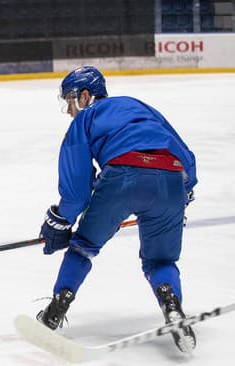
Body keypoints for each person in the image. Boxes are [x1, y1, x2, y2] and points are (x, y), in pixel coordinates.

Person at [37, 66, 197, 353]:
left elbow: (76, 191)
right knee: (160, 261)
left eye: (70, 101)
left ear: (85, 96)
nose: (68, 110)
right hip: (172, 178)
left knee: (83, 247)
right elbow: (183, 153)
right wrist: (182, 195)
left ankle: (58, 305)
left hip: (122, 179)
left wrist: (60, 221)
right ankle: (171, 303)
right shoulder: (138, 105)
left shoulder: (85, 119)